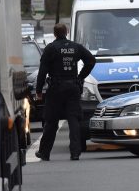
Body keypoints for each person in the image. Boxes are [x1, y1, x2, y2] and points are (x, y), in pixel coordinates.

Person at [35, 23, 96, 161]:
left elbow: (43, 71)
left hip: (55, 89)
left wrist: (39, 90)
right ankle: (75, 152)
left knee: (51, 121)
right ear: (67, 32)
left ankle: (44, 153)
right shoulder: (76, 47)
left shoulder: (51, 48)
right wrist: (80, 77)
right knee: (74, 120)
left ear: (55, 34)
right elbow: (91, 60)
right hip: (73, 88)